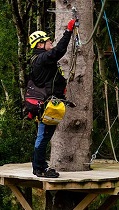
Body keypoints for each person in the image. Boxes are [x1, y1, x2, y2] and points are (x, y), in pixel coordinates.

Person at [28, 19, 76, 178]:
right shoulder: (42, 58)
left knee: (44, 136)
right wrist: (68, 32)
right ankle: (39, 168)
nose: (51, 43)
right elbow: (59, 51)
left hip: (49, 103)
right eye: (48, 41)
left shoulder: (40, 59)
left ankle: (40, 166)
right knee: (43, 136)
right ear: (40, 45)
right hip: (47, 104)